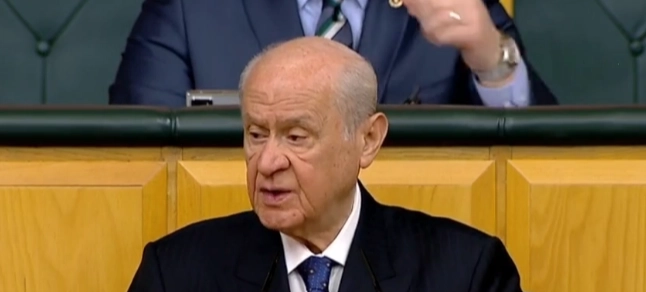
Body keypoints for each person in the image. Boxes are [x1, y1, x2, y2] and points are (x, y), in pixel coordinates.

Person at [68, 37, 630, 292]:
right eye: (256, 134)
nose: (268, 162)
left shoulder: (458, 274)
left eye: (296, 136)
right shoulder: (179, 274)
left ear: (368, 140)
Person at [109, 0, 558, 107]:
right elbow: (139, 162)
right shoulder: (189, 8)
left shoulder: (456, 4)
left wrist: (490, 57)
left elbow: (539, 169)